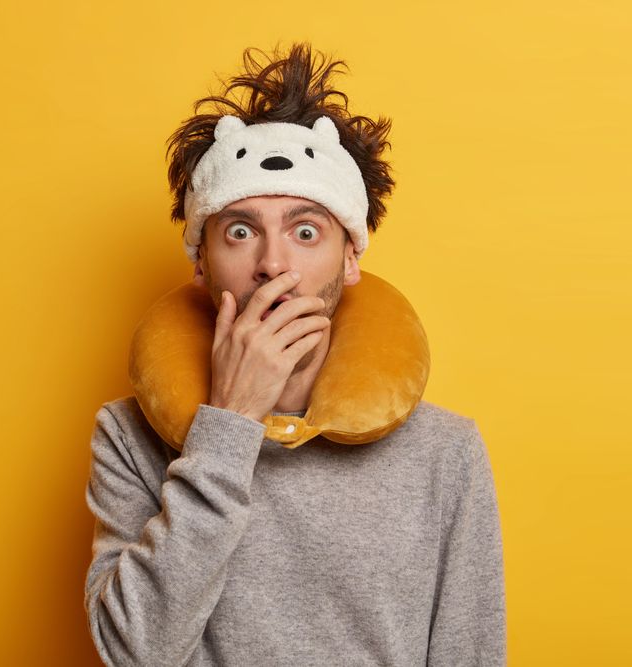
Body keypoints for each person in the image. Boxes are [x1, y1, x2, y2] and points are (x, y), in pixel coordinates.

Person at [83, 42, 506, 666]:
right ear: (201, 261)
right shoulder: (127, 436)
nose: (273, 264)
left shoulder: (444, 453)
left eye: (306, 232)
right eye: (240, 231)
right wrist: (226, 430)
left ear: (350, 256)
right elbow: (133, 655)